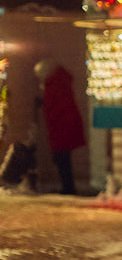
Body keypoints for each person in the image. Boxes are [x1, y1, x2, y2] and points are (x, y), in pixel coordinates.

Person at [34, 60, 87, 195]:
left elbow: (55, 108)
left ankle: (68, 188)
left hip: (61, 129)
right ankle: (68, 187)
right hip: (64, 128)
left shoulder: (54, 85)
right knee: (64, 159)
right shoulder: (60, 83)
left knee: (62, 159)